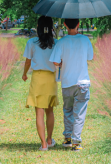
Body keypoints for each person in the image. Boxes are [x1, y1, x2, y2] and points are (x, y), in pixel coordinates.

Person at [49, 18, 93, 151]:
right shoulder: (85, 40)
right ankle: (76, 142)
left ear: (65, 25)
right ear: (78, 24)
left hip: (67, 82)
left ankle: (67, 138)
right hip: (82, 83)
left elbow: (55, 62)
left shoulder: (61, 42)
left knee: (67, 110)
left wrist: (62, 63)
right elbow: (90, 57)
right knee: (79, 112)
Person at [22, 15, 58, 151]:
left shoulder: (31, 43)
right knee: (50, 111)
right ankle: (49, 140)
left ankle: (43, 144)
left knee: (39, 112)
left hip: (37, 78)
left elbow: (27, 61)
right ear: (52, 28)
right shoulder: (55, 43)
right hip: (51, 78)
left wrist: (24, 73)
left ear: (38, 28)